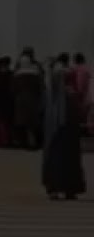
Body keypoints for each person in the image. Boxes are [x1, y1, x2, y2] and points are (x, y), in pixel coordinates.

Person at [42, 53, 86, 200]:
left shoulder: (52, 81)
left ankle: (55, 188)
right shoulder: (70, 90)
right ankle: (69, 189)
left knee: (56, 156)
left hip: (57, 127)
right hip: (67, 126)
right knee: (69, 157)